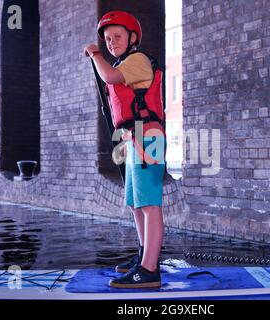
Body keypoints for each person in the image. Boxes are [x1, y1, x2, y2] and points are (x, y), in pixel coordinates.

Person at [84, 11, 165, 289]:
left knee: (149, 203)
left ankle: (149, 270)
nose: (110, 42)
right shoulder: (126, 62)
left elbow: (108, 75)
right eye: (106, 39)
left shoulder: (137, 61)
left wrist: (95, 54)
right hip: (134, 137)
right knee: (135, 203)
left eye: (117, 36)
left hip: (148, 136)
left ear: (132, 38)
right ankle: (144, 255)